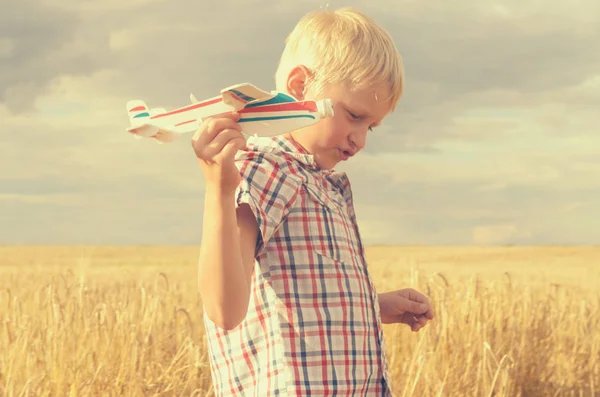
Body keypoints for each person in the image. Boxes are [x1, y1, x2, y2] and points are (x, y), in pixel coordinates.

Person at [192, 7, 435, 396]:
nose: (361, 139)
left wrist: (371, 306)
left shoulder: (321, 184)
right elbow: (224, 309)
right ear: (300, 86)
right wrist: (219, 190)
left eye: (370, 126)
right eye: (354, 115)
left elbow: (301, 293)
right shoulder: (263, 168)